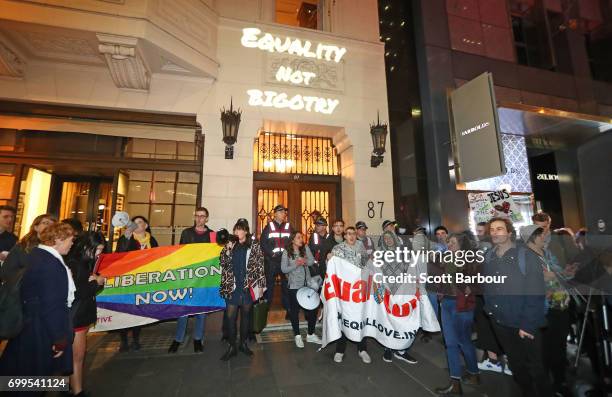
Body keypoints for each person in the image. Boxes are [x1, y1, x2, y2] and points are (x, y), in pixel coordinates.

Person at [482, 217, 551, 397]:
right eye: (493, 229)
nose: (495, 232)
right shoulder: (488, 256)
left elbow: (535, 291)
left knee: (535, 367)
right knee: (516, 364)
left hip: (524, 323)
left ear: (510, 233)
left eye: (500, 229)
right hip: (500, 322)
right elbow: (487, 285)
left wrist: (527, 324)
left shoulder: (526, 256)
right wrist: (490, 310)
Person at [0, 223, 75, 379]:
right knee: (34, 380)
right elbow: (52, 305)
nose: (72, 244)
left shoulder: (38, 255)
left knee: (23, 375)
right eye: (70, 240)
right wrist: (59, 338)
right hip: (41, 330)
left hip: (31, 325)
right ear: (58, 239)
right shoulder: (51, 264)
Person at [520, 224, 572, 396]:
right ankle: (548, 384)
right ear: (533, 238)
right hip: (543, 309)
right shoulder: (526, 258)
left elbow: (558, 273)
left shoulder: (547, 253)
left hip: (561, 305)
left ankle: (560, 380)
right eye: (542, 235)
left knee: (560, 345)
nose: (545, 238)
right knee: (546, 348)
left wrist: (563, 273)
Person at [435, 233, 481, 395]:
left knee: (463, 341)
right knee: (451, 343)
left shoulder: (470, 260)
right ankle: (456, 382)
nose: (449, 245)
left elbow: (476, 284)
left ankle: (474, 373)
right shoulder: (445, 258)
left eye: (453, 242)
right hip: (446, 304)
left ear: (462, 245)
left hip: (462, 305)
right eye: (448, 242)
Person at [169, 206, 217, 354]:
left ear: (207, 218)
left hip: (204, 279)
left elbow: (215, 257)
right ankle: (178, 339)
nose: (200, 218)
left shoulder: (212, 235)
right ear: (194, 217)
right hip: (188, 277)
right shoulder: (186, 233)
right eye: (197, 216)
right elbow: (179, 254)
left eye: (202, 216)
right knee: (184, 309)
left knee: (201, 310)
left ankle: (198, 339)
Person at [66, 231, 106, 397]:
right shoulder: (78, 265)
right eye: (97, 250)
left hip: (78, 315)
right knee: (78, 355)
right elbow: (79, 292)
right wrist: (97, 283)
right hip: (77, 316)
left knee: (74, 356)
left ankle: (69, 387)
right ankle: (77, 391)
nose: (99, 254)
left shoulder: (82, 263)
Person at [218, 218, 265, 361]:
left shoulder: (254, 245)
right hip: (232, 286)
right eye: (235, 229)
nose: (237, 232)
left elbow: (260, 265)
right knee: (230, 317)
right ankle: (232, 346)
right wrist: (228, 250)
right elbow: (223, 263)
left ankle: (243, 344)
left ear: (246, 231)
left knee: (246, 316)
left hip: (247, 286)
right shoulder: (229, 244)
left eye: (240, 229)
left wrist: (261, 286)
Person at [116, 215, 159, 352]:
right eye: (134, 223)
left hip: (144, 280)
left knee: (137, 310)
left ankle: (135, 338)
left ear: (146, 226)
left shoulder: (151, 240)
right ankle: (123, 340)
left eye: (139, 222)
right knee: (124, 309)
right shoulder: (125, 238)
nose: (136, 225)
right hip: (128, 279)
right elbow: (119, 256)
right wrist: (127, 238)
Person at [329, 226, 371, 364]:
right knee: (345, 318)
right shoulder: (338, 248)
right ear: (344, 236)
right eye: (348, 234)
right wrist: (329, 258)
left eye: (353, 234)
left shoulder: (361, 246)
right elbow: (333, 267)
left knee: (361, 317)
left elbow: (367, 264)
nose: (351, 236)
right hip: (345, 291)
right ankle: (340, 351)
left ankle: (362, 349)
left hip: (359, 290)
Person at [376, 230, 419, 365]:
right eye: (386, 238)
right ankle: (388, 348)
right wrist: (379, 291)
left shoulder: (404, 253)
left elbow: (412, 269)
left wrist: (415, 285)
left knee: (404, 320)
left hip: (403, 291)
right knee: (388, 320)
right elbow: (376, 274)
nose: (388, 240)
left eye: (391, 237)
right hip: (387, 292)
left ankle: (402, 350)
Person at [281, 231, 322, 348]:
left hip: (308, 284)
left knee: (313, 308)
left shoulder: (306, 248)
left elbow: (311, 261)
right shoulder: (287, 252)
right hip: (294, 286)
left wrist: (305, 261)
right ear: (292, 240)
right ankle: (297, 336)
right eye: (298, 237)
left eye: (301, 237)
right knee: (294, 311)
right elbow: (283, 269)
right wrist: (297, 264)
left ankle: (310, 334)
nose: (301, 239)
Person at [0, 214, 56, 281]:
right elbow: (5, 272)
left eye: (53, 225)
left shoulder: (55, 248)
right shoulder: (23, 246)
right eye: (46, 223)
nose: (49, 226)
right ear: (36, 227)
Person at [259, 204, 292, 316]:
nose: (283, 214)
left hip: (285, 261)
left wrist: (289, 255)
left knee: (286, 285)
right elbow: (263, 243)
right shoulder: (269, 226)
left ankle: (288, 308)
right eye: (281, 212)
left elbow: (293, 242)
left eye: (284, 212)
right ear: (275, 214)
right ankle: (266, 310)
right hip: (272, 261)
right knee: (269, 285)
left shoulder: (288, 226)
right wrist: (271, 254)